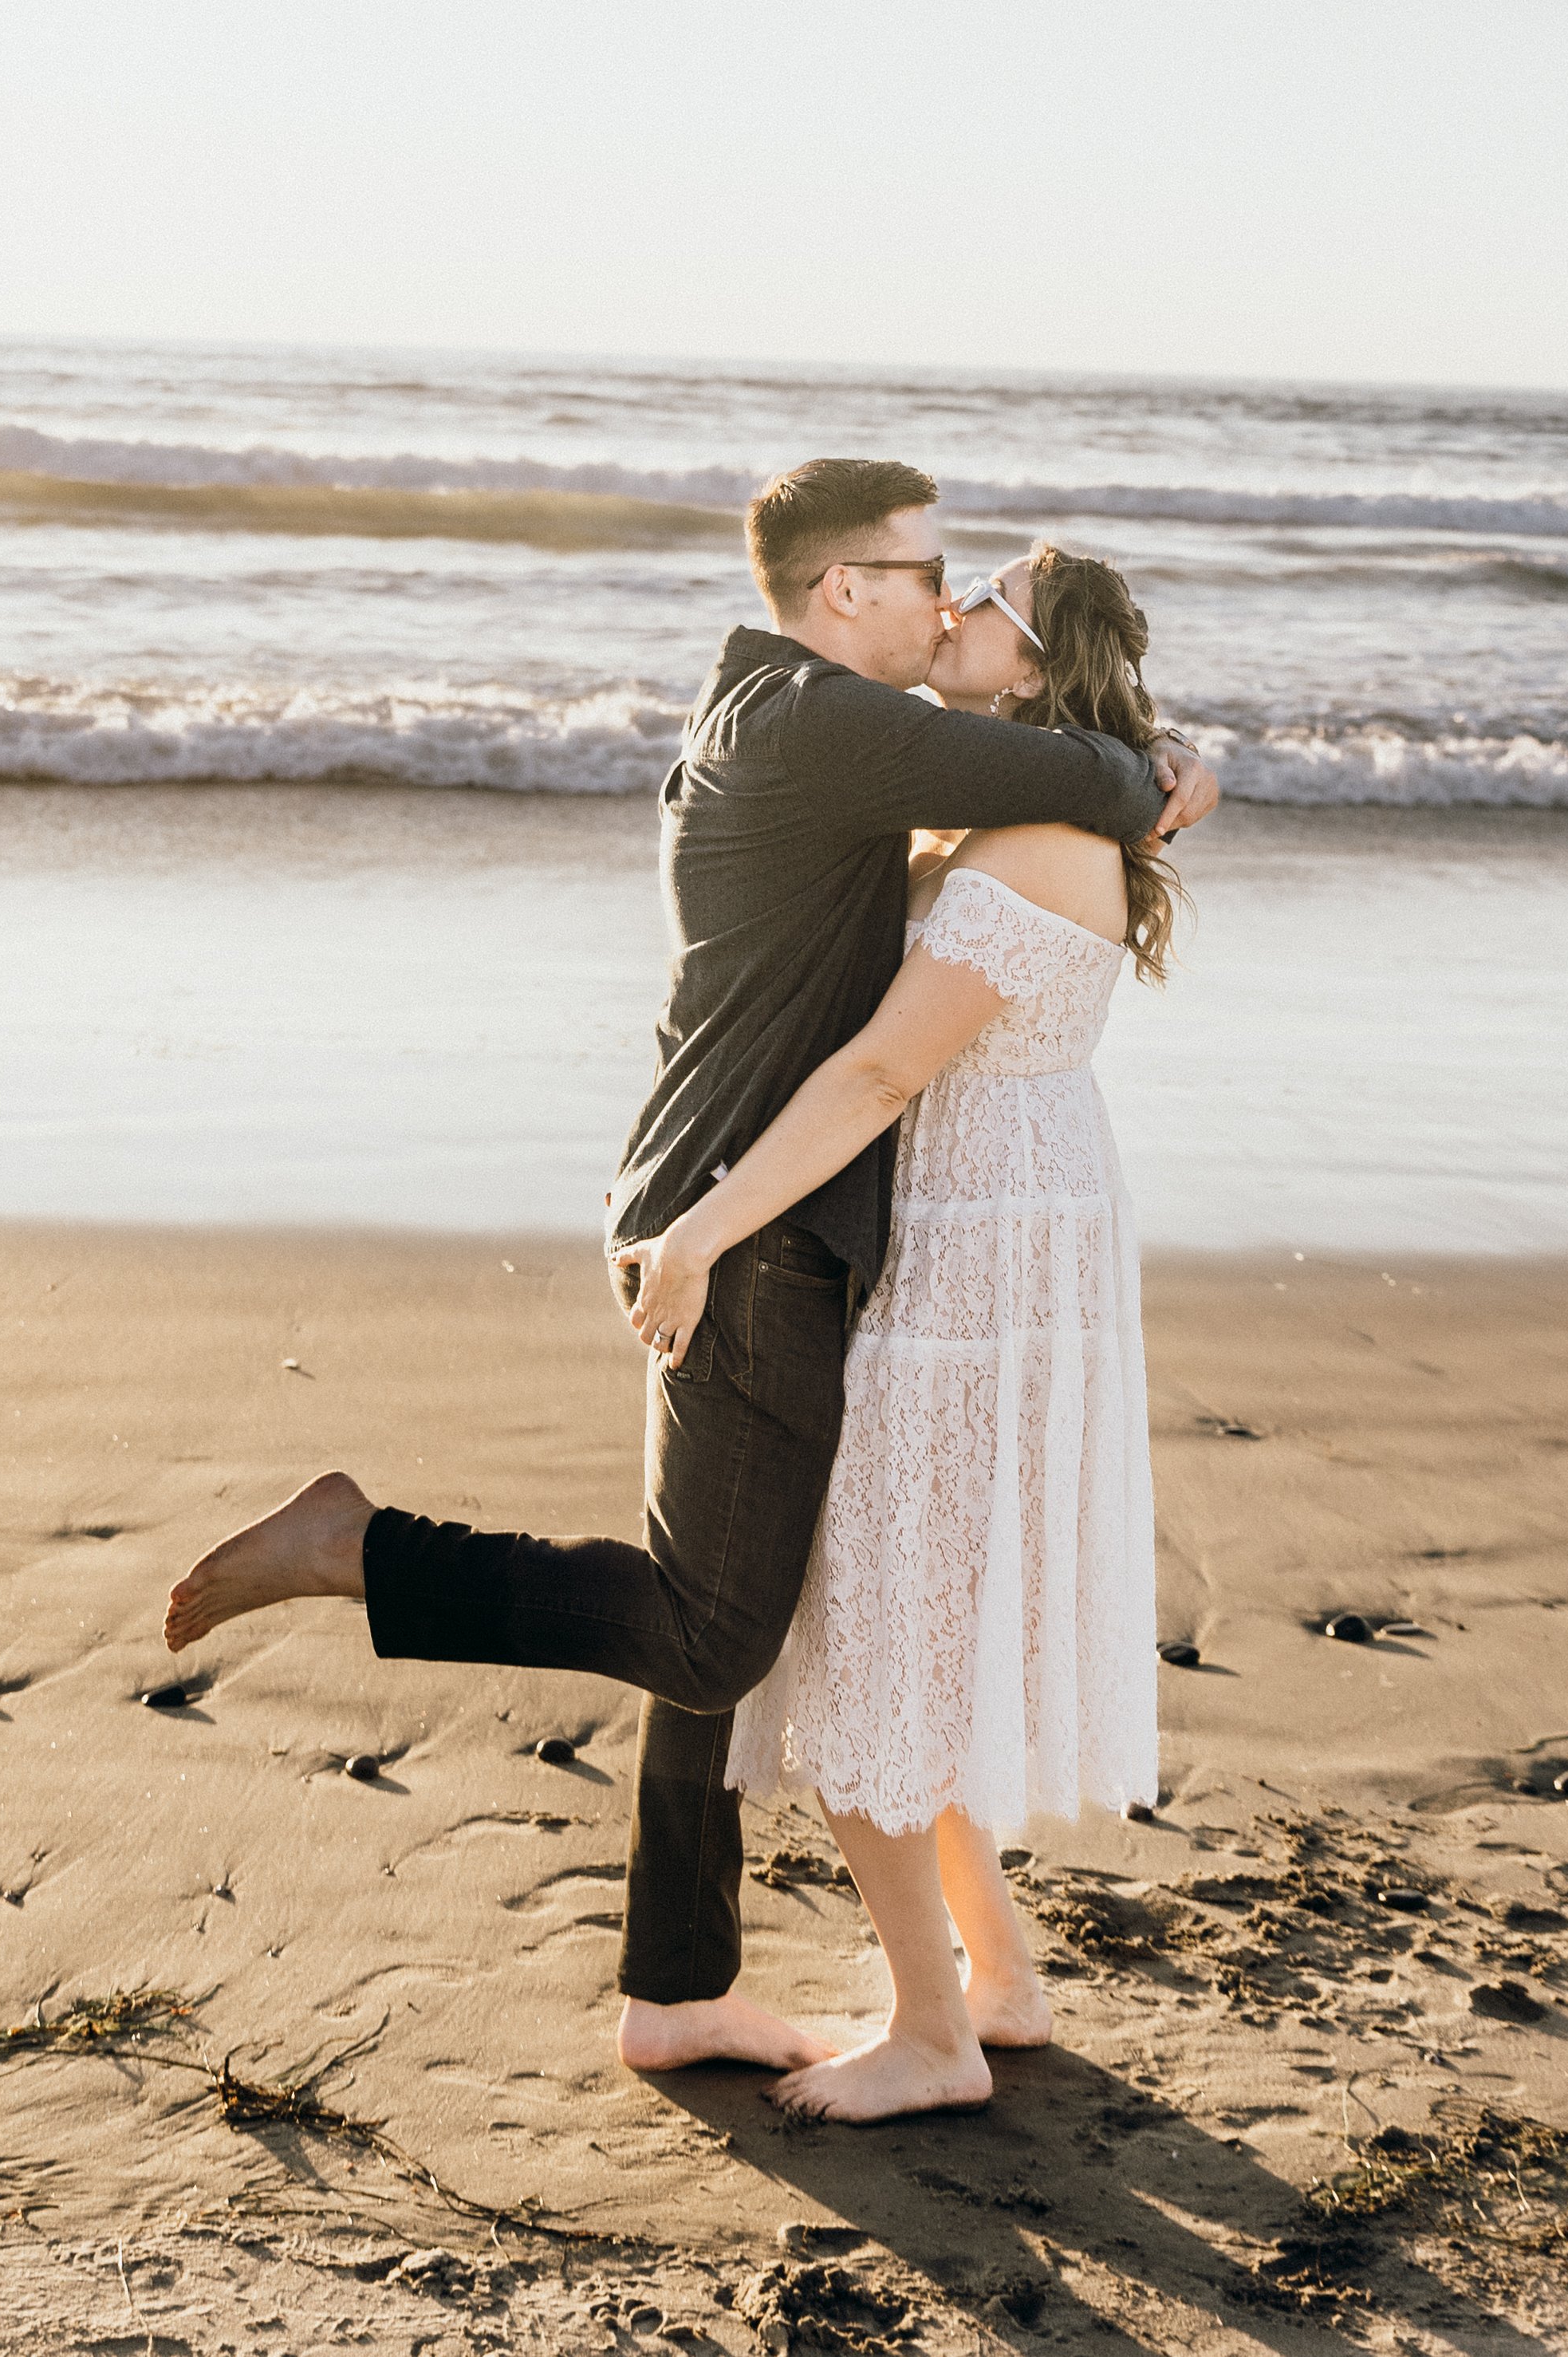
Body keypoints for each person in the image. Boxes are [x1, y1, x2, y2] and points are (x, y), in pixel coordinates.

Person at [162, 461, 1217, 2075]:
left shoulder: (791, 717)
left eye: (970, 585)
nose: (943, 600)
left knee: (715, 1600)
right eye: (926, 571)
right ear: (841, 586)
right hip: (744, 1227)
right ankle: (357, 1548)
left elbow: (1049, 781)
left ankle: (682, 1985)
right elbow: (1073, 768)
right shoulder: (824, 725)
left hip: (736, 1212)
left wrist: (1126, 771)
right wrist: (1143, 770)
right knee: (720, 1627)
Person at [617, 545, 1172, 2121]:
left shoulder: (1034, 840)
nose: (955, 613)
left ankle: (932, 2029)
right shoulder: (1039, 815)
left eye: (985, 598)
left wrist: (704, 1226)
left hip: (972, 1264)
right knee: (912, 1627)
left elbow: (872, 1076)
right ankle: (994, 1976)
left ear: (1035, 654)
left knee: (862, 1630)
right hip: (1000, 1229)